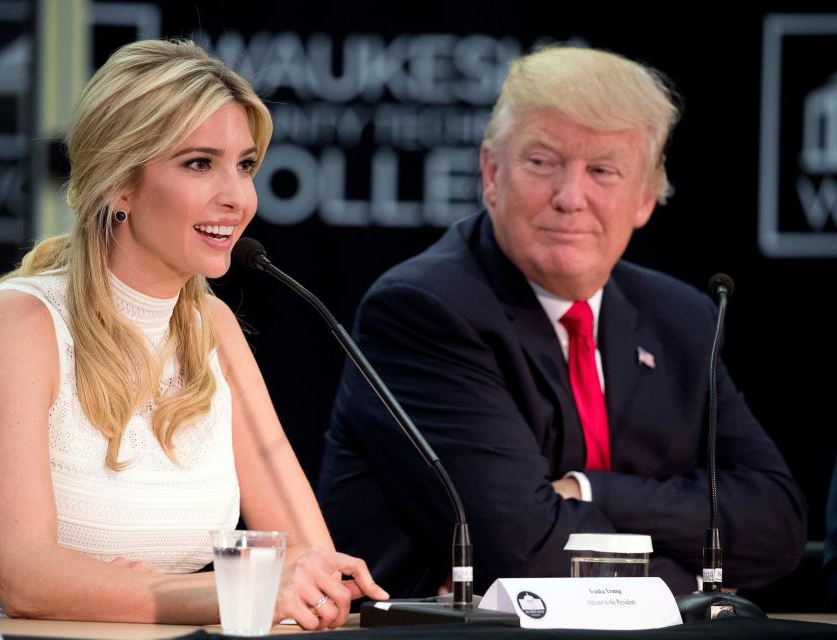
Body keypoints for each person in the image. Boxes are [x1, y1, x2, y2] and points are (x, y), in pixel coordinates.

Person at [318, 45, 807, 598]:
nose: (570, 198)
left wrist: (587, 491)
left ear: (646, 198)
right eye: (542, 163)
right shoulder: (424, 309)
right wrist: (697, 583)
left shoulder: (683, 319)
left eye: (603, 170)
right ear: (491, 173)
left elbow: (779, 524)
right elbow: (519, 550)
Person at [0, 39, 387, 628]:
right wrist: (223, 591)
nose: (238, 197)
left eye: (245, 165)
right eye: (200, 163)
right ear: (119, 183)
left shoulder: (211, 327)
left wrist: (153, 588)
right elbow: (24, 577)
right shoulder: (17, 324)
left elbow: (312, 558)